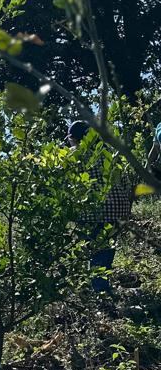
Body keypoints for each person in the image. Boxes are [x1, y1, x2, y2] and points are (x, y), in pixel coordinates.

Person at [68, 120, 135, 294]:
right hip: (117, 210)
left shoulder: (74, 155)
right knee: (105, 251)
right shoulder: (106, 152)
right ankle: (101, 288)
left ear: (73, 138)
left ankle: (100, 293)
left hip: (94, 212)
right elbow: (125, 182)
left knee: (95, 251)